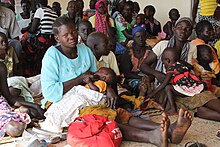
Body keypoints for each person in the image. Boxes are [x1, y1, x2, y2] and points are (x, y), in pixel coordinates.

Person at [40, 16, 193, 147]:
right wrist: (79, 79)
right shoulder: (52, 55)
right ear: (57, 37)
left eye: (73, 31)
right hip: (63, 102)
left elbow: (96, 75)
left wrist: (108, 89)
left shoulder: (84, 50)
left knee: (119, 112)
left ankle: (168, 130)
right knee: (103, 118)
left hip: (91, 94)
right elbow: (50, 93)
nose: (72, 36)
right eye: (66, 34)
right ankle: (152, 137)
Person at [140, 17, 220, 122]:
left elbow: (191, 68)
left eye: (187, 29)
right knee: (193, 108)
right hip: (166, 88)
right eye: (180, 27)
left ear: (191, 32)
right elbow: (143, 65)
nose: (182, 31)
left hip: (186, 84)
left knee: (206, 97)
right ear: (174, 29)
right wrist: (157, 74)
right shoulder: (163, 45)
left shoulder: (192, 48)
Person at [148, 47, 204, 115]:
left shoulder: (171, 68)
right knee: (170, 85)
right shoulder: (181, 63)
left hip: (186, 90)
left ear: (167, 60)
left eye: (163, 63)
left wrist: (152, 94)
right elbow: (191, 67)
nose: (164, 65)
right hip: (195, 86)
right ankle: (163, 104)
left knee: (168, 87)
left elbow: (164, 84)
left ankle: (173, 109)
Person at [22, 0, 58, 77]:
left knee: (24, 42)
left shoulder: (40, 10)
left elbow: (33, 29)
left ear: (37, 4)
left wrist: (26, 30)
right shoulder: (53, 13)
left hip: (43, 41)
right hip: (53, 40)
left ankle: (29, 71)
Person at [120, 25, 151, 96]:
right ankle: (141, 101)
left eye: (143, 36)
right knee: (141, 86)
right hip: (132, 77)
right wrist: (142, 78)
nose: (141, 39)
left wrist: (147, 79)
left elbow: (152, 70)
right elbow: (127, 74)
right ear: (133, 38)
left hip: (147, 78)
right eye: (138, 37)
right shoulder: (128, 52)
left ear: (146, 37)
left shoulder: (149, 52)